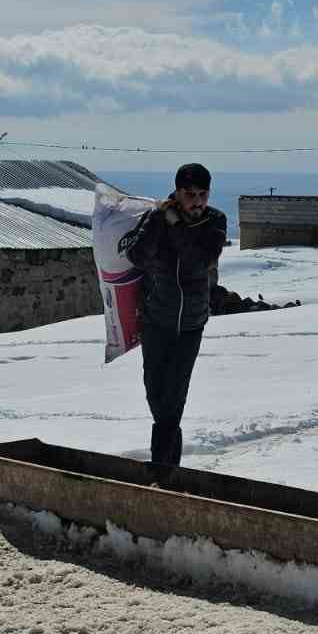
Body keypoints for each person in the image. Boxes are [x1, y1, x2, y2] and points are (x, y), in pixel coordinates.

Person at [123, 162, 228, 474]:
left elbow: (199, 263)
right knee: (156, 392)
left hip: (191, 324)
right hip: (156, 320)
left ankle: (163, 469)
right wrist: (160, 222)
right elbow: (136, 256)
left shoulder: (216, 221)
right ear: (178, 192)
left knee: (175, 394)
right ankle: (167, 465)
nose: (197, 201)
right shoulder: (158, 215)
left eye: (203, 194)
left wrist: (175, 226)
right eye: (190, 194)